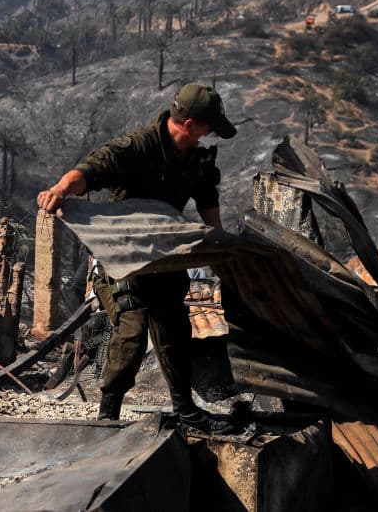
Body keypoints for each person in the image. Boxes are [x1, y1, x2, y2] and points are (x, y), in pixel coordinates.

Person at [36, 83, 237, 433]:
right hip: (121, 257)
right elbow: (91, 170)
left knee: (174, 328)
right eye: (207, 127)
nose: (208, 135)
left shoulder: (197, 160)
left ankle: (185, 409)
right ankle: (108, 414)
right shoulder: (138, 147)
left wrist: (217, 241)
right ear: (189, 125)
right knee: (131, 326)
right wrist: (58, 191)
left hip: (162, 257)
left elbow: (207, 201)